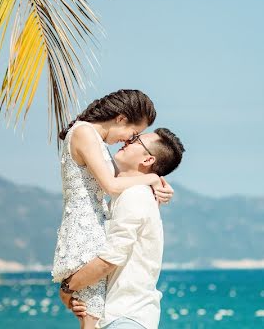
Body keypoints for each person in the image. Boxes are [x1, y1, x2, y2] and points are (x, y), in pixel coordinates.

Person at [53, 90, 174, 329]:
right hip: (86, 228)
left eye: (135, 138)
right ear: (120, 118)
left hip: (93, 226)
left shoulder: (92, 138)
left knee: (90, 315)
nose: (128, 140)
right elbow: (111, 184)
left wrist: (158, 179)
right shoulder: (85, 132)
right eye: (134, 133)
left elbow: (123, 177)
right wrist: (151, 179)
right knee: (90, 316)